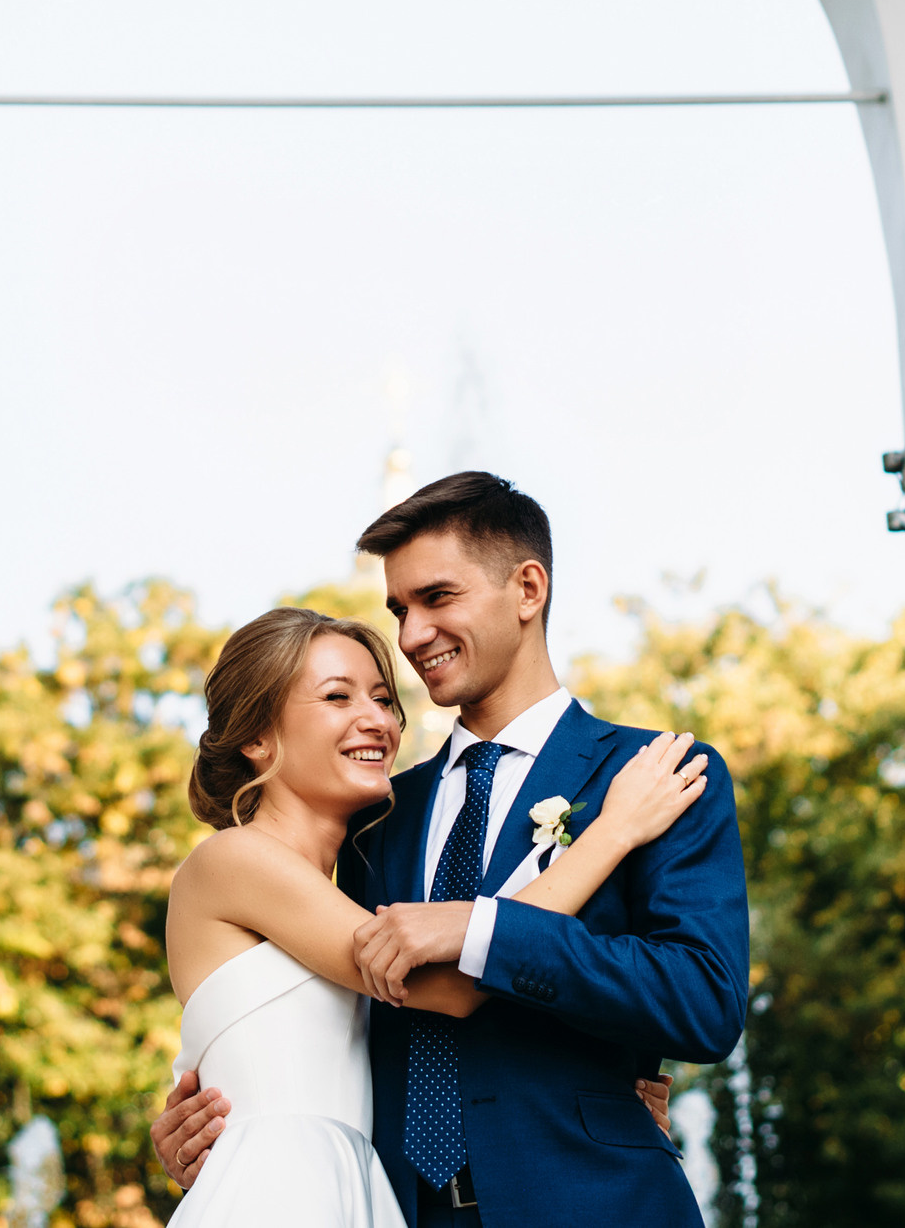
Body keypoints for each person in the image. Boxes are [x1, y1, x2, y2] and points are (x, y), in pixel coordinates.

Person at [158, 472, 748, 1226]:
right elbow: (320, 1005)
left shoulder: (651, 778)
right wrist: (212, 1124)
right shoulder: (375, 820)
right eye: (399, 609)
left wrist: (612, 1077)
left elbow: (703, 1000)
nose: (410, 636)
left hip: (594, 1200)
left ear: (528, 588)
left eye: (437, 598)